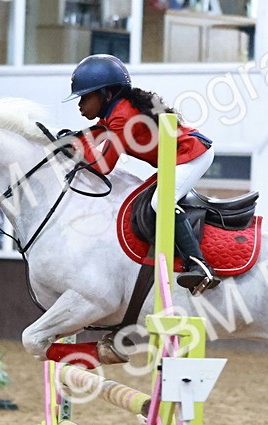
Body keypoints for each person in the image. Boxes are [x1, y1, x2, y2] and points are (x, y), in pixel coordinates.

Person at [67, 54, 219, 293]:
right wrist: (75, 139)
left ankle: (199, 265)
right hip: (177, 158)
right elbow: (98, 132)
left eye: (85, 96)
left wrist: (78, 144)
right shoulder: (116, 111)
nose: (80, 104)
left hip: (192, 154)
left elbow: (104, 166)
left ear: (106, 93)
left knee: (160, 202)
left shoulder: (121, 115)